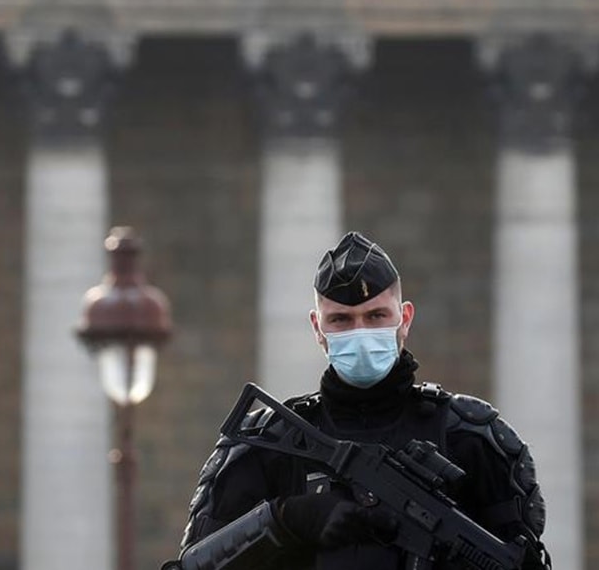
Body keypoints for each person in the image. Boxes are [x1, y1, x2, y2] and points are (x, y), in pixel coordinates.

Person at [173, 231, 551, 570]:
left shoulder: (474, 439)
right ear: (317, 327)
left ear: (404, 318)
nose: (361, 332)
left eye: (376, 316)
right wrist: (289, 518)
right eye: (341, 320)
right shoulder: (269, 443)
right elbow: (197, 562)